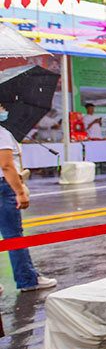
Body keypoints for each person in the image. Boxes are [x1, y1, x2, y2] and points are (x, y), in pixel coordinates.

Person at [0, 102, 55, 294]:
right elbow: (6, 166)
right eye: (0, 106)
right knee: (13, 236)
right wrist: (20, 191)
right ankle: (27, 280)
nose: (3, 110)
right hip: (3, 187)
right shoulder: (1, 134)